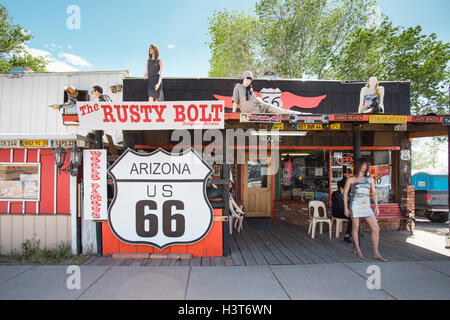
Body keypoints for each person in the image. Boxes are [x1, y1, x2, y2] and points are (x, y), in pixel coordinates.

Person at [343, 158, 388, 261]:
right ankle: (358, 250)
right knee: (355, 227)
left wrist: (376, 206)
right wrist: (345, 207)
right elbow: (345, 194)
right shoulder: (351, 179)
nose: (364, 167)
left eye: (366, 165)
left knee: (375, 228)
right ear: (358, 165)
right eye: (363, 165)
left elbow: (374, 193)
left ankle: (376, 253)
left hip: (367, 206)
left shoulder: (370, 179)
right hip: (355, 205)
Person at [232, 71, 307, 115]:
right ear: (243, 78)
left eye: (250, 80)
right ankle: (300, 114)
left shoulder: (250, 89)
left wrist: (259, 99)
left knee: (282, 112)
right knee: (281, 112)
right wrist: (233, 113)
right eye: (247, 79)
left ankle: (301, 114)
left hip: (262, 106)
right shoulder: (238, 87)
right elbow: (235, 101)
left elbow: (252, 99)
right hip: (254, 112)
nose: (248, 81)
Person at [331, 178, 352, 242]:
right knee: (351, 217)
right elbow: (339, 205)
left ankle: (351, 233)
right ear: (341, 187)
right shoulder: (335, 194)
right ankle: (348, 235)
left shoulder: (347, 194)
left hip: (344, 211)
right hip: (337, 212)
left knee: (355, 217)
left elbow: (349, 203)